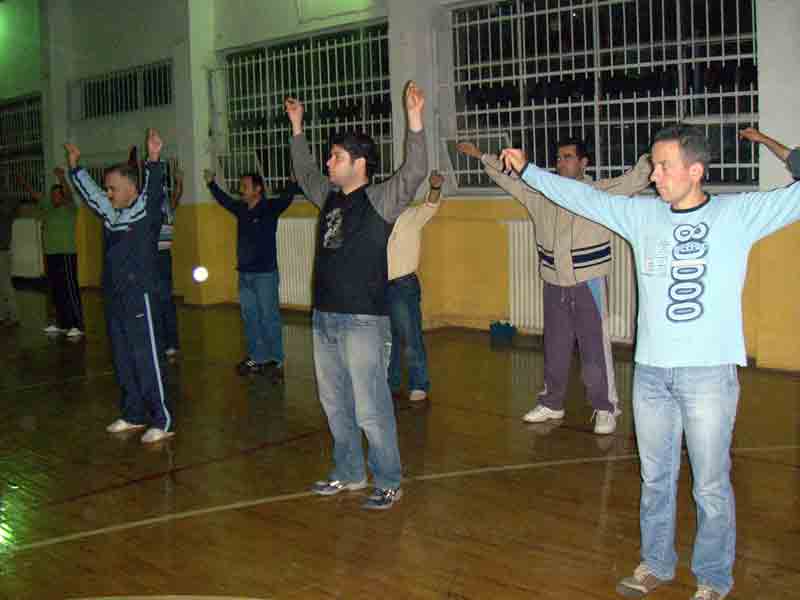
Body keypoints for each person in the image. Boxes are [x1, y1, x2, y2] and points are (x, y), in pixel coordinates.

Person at [499, 125, 800, 600]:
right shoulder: (642, 216)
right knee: (655, 478)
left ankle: (712, 578)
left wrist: (778, 148)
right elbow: (581, 197)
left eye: (663, 166)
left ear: (695, 171)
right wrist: (530, 171)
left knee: (710, 485)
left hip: (708, 375)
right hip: (652, 374)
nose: (654, 175)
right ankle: (657, 563)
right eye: (654, 165)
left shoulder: (738, 214)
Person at [285, 81, 427, 510]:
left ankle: (388, 480)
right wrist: (297, 128)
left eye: (336, 156)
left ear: (359, 163)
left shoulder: (380, 200)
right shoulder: (327, 196)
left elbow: (414, 172)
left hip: (364, 320)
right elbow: (304, 173)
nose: (329, 162)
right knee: (334, 404)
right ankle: (348, 472)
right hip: (324, 317)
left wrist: (414, 121)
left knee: (370, 407)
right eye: (330, 156)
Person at [458, 140, 652, 434]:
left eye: (568, 157)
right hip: (553, 281)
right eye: (559, 158)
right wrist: (482, 155)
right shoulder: (540, 193)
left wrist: (658, 152)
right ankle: (552, 402)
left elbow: (637, 178)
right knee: (555, 345)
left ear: (584, 163)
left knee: (594, 348)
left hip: (588, 281)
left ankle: (605, 407)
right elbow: (508, 176)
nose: (561, 162)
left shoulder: (599, 192)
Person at [67, 129, 174, 444]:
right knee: (124, 358)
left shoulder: (145, 212)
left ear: (130, 188)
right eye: (107, 188)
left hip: (140, 296)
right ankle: (133, 413)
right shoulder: (112, 215)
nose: (108, 193)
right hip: (116, 298)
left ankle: (162, 419)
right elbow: (92, 195)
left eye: (113, 188)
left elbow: (153, 189)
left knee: (146, 358)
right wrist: (76, 168)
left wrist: (153, 158)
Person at [205, 169, 299, 379]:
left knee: (269, 317)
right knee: (250, 318)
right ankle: (257, 358)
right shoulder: (241, 209)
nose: (241, 190)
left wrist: (292, 182)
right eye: (241, 186)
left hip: (265, 274)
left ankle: (277, 360)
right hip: (245, 274)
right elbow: (225, 201)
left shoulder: (269, 208)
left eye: (245, 186)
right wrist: (211, 184)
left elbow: (286, 199)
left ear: (258, 189)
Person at [386, 170, 444, 403]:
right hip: (380, 286)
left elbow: (431, 205)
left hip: (403, 286)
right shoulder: (379, 220)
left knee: (410, 337)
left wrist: (435, 187)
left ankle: (419, 383)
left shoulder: (411, 216)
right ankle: (391, 382)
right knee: (388, 340)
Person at [19, 168, 85, 338]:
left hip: (66, 255)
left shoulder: (70, 208)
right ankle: (62, 324)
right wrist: (23, 182)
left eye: (57, 194)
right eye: (53, 195)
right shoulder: (48, 208)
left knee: (69, 289)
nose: (55, 197)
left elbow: (69, 194)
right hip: (51, 255)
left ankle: (77, 325)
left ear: (62, 196)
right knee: (56, 290)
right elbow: (35, 195)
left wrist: (62, 178)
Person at [0, 193, 23, 326]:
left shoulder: (6, 210)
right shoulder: (6, 210)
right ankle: (3, 315)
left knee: (5, 285)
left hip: (2, 251)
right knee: (3, 285)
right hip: (3, 251)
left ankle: (14, 316)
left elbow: (15, 203)